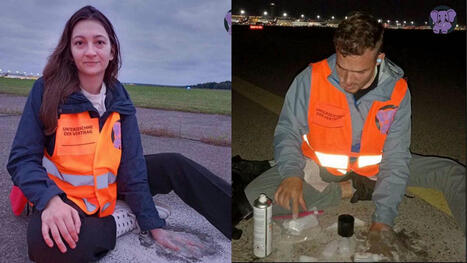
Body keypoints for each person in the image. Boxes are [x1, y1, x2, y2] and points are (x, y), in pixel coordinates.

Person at [7, 6, 230, 262]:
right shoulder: (46, 91)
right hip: (67, 199)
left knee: (174, 163)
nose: (90, 51)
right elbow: (22, 159)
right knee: (45, 246)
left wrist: (153, 225)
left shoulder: (119, 97)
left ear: (111, 51)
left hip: (112, 186)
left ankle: (240, 213)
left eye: (99, 42)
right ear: (69, 51)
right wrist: (50, 201)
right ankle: (122, 219)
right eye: (80, 43)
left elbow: (132, 167)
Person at [244, 12, 465, 235]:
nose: (347, 81)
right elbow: (288, 131)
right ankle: (348, 190)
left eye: (359, 72)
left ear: (378, 59)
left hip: (376, 170)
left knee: (451, 173)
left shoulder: (397, 90)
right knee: (257, 195)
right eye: (341, 67)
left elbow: (396, 156)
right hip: (323, 169)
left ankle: (374, 186)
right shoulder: (310, 78)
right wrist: (292, 174)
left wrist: (383, 221)